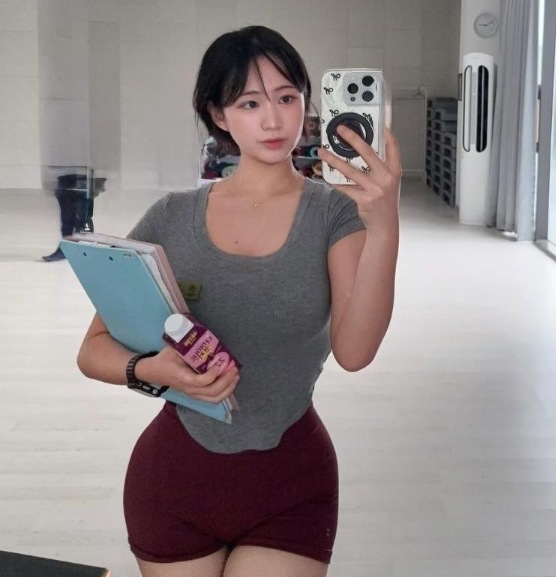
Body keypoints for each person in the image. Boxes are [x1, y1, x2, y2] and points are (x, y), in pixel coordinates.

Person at [76, 25, 401, 577]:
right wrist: (153, 370)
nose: (273, 120)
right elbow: (93, 350)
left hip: (292, 485)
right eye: (250, 103)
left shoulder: (334, 214)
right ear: (219, 115)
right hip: (174, 483)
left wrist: (385, 224)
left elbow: (355, 352)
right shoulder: (171, 218)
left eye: (286, 98)